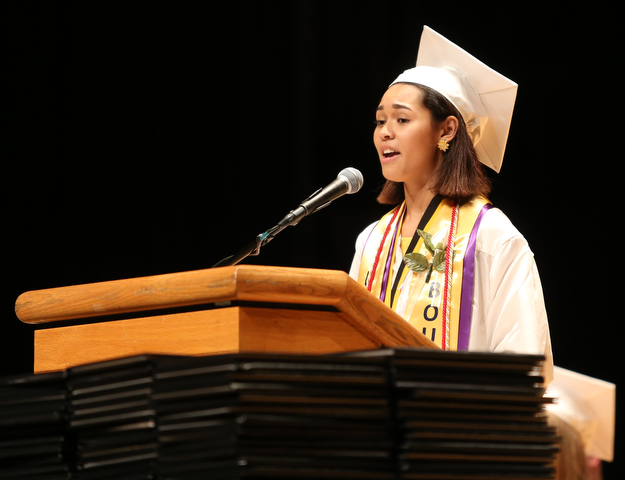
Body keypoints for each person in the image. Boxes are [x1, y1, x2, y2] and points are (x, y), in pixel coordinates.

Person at [349, 26, 553, 381]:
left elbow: (524, 363)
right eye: (380, 120)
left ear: (446, 131)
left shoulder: (490, 236)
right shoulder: (372, 241)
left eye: (401, 119)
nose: (384, 132)